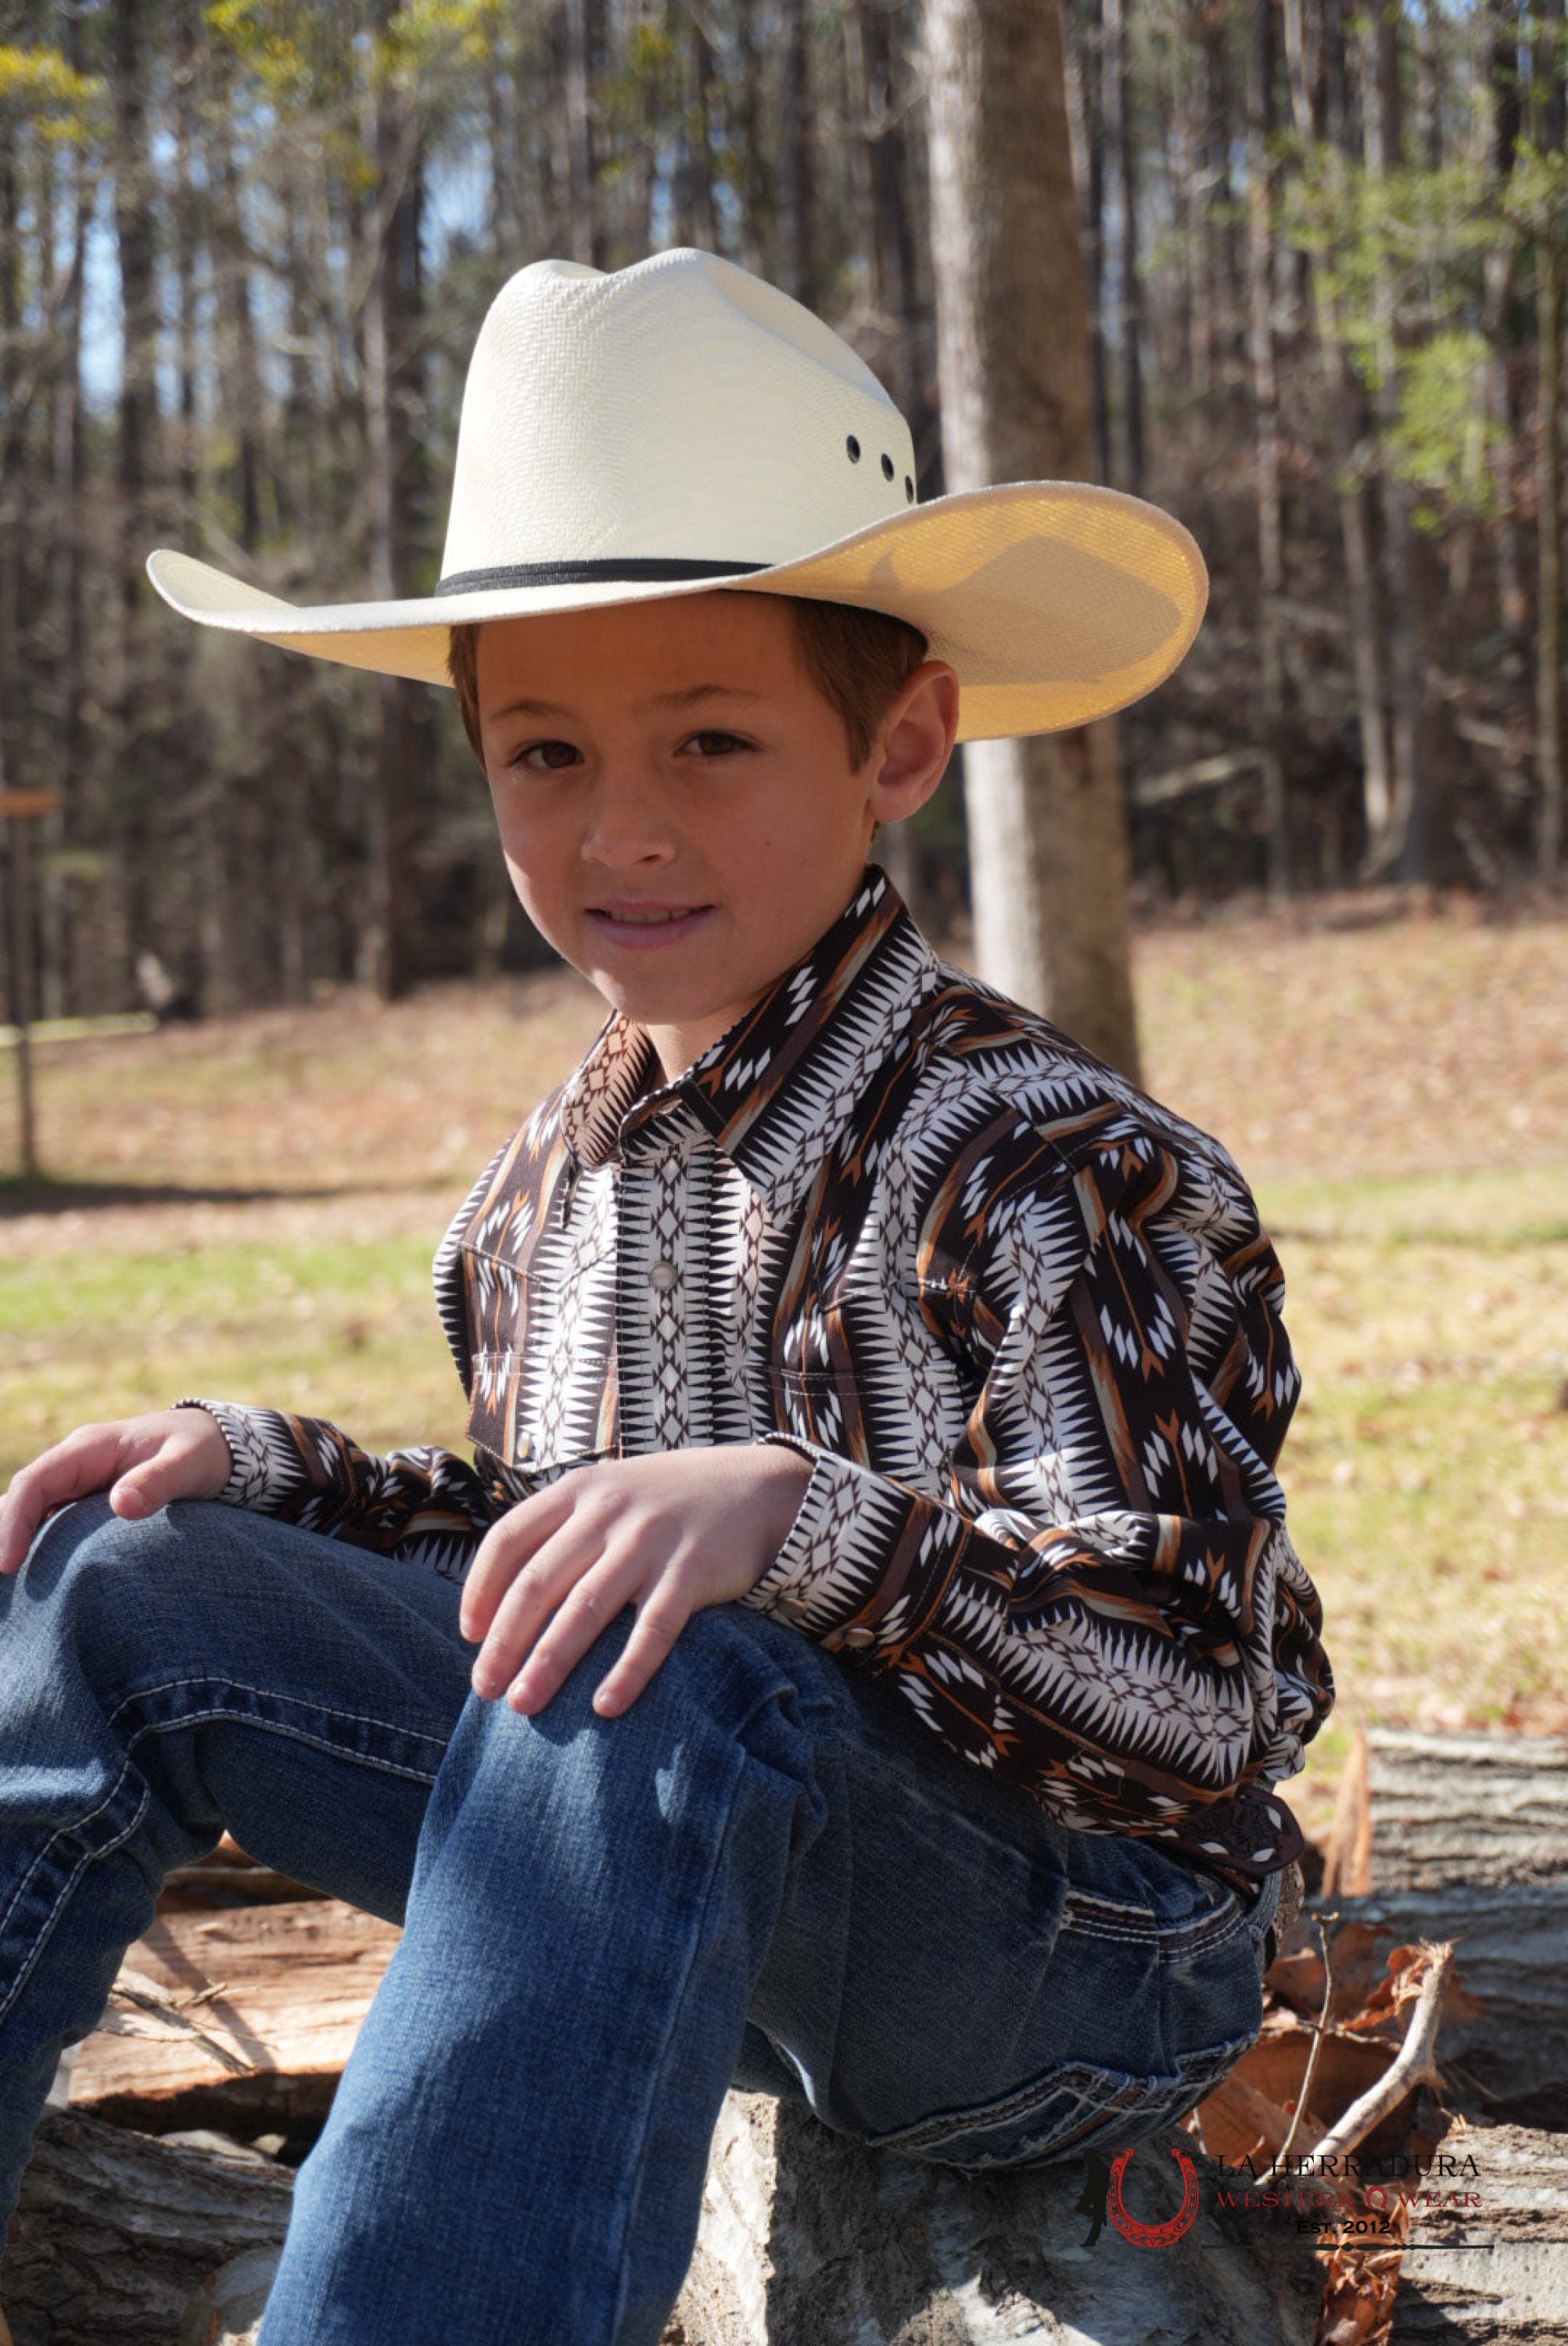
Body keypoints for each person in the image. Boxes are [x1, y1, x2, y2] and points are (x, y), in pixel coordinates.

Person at [0, 249, 1332, 2345]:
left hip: (1076, 1951)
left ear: (902, 738)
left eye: (710, 740)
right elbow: (546, 1549)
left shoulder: (1046, 1160)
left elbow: (1213, 1701)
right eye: (543, 756)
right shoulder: (538, 1190)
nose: (620, 829)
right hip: (693, 1880)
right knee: (116, 1576)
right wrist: (271, 1476)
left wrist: (802, 1532)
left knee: (674, 1658)